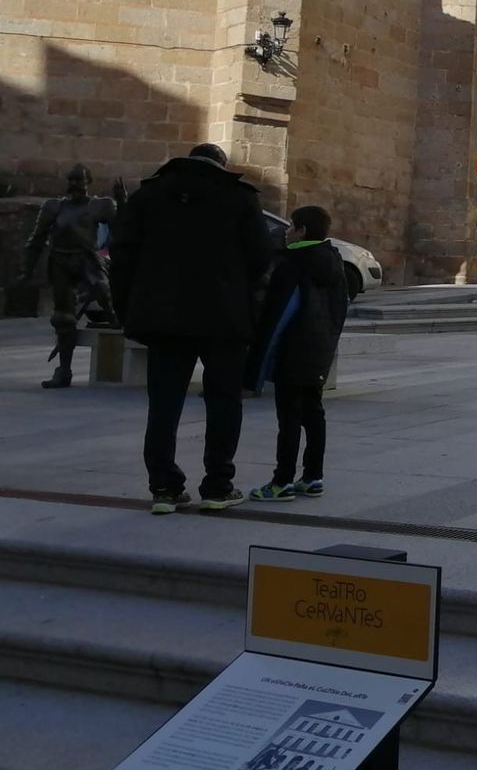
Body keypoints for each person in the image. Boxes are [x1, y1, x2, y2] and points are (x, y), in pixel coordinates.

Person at [111, 143, 273, 515]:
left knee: (164, 405)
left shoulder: (148, 196)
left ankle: (164, 488)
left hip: (163, 320)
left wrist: (129, 311)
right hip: (224, 320)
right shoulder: (238, 197)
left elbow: (122, 257)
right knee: (224, 403)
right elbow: (261, 258)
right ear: (221, 165)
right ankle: (218, 485)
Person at [246, 205, 348, 502]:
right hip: (319, 350)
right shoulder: (334, 263)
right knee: (314, 414)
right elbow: (339, 311)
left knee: (288, 419)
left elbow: (276, 314)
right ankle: (313, 476)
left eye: (290, 227)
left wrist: (258, 361)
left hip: (291, 352)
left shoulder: (292, 265)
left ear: (302, 230)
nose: (286, 232)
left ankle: (282, 481)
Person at [13, 164, 124, 389]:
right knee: (63, 318)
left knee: (102, 290)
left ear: (87, 183)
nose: (75, 185)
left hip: (87, 259)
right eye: (72, 180)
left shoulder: (99, 205)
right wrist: (27, 270)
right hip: (61, 262)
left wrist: (122, 203)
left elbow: (123, 229)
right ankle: (64, 370)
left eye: (79, 181)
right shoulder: (54, 207)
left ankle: (115, 319)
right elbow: (36, 240)